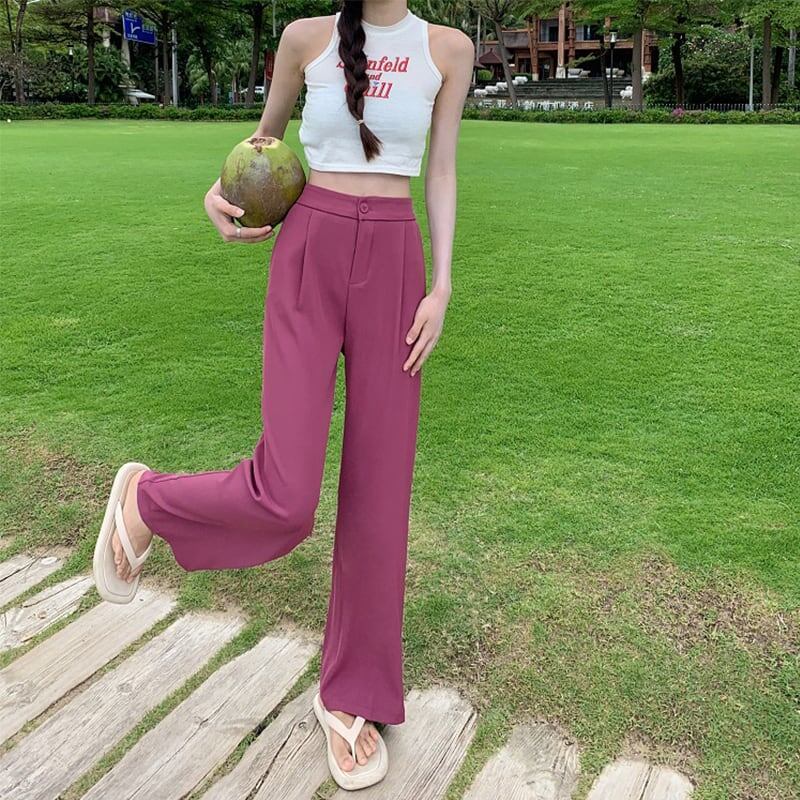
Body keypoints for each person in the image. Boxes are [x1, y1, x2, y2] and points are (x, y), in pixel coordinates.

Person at [92, 0, 473, 790]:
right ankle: (147, 501)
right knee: (286, 495)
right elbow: (260, 148)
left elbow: (441, 169)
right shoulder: (305, 39)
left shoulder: (449, 49)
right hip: (309, 252)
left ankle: (352, 695)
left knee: (381, 491)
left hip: (396, 262)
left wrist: (441, 285)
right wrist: (216, 196)